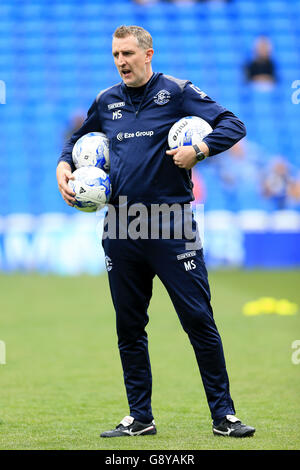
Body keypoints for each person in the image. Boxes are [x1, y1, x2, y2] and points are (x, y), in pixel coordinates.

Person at [57, 25, 255, 438]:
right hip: (120, 225)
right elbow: (76, 142)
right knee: (129, 327)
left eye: (128, 53)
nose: (121, 61)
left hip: (172, 224)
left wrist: (198, 150)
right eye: (115, 54)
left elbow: (233, 125)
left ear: (148, 54)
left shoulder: (178, 92)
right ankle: (140, 417)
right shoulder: (106, 101)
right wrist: (64, 166)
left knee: (198, 320)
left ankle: (225, 416)